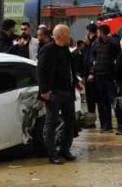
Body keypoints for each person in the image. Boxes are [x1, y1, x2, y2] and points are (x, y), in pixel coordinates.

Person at [38, 24, 79, 163]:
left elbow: (70, 69)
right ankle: (52, 153)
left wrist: (77, 82)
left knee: (70, 121)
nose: (70, 37)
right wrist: (44, 90)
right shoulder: (47, 50)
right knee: (51, 122)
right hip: (53, 92)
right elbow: (41, 71)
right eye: (67, 34)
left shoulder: (66, 50)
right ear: (60, 36)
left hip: (68, 91)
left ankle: (65, 150)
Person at [90, 24, 121, 133]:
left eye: (98, 32)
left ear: (102, 32)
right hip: (99, 76)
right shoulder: (95, 43)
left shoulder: (113, 43)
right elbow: (92, 58)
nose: (97, 34)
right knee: (103, 102)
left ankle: (120, 125)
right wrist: (92, 72)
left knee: (114, 101)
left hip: (109, 76)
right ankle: (106, 125)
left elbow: (118, 58)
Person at [82, 24, 98, 119]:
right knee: (90, 98)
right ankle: (91, 118)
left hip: (93, 73)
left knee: (92, 98)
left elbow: (93, 59)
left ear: (88, 31)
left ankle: (92, 118)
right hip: (88, 72)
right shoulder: (88, 43)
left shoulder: (95, 42)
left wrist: (91, 72)